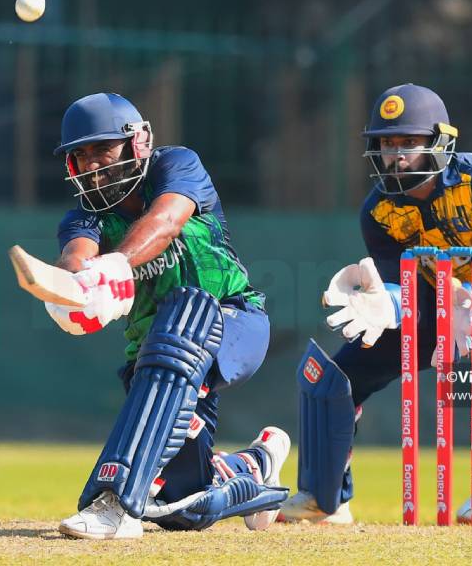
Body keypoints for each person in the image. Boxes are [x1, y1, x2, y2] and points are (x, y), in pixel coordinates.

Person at [279, 83, 472, 526]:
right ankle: (326, 498)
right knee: (336, 377)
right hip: (435, 299)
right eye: (387, 143)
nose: (396, 155)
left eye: (409, 142)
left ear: (439, 142)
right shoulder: (377, 212)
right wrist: (389, 304)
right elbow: (404, 287)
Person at [44, 92, 290, 539]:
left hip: (232, 319)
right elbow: (76, 254)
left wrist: (115, 265)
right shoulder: (85, 217)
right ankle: (254, 468)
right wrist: (70, 289)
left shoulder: (175, 166)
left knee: (183, 311)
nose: (93, 164)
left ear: (136, 143)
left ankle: (114, 501)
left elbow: (166, 220)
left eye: (103, 149)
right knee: (179, 507)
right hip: (155, 360)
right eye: (81, 155)